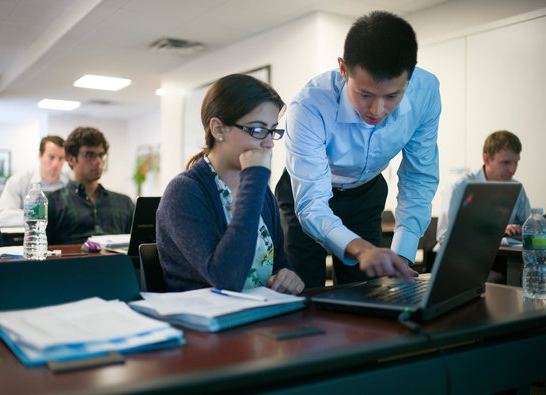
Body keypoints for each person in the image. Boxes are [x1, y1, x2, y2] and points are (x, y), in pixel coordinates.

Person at [275, 10, 440, 288]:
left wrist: (402, 254)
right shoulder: (309, 105)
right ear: (343, 69)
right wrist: (360, 249)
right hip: (307, 193)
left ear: (409, 78)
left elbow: (419, 176)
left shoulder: (426, 91)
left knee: (366, 291)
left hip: (365, 194)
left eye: (392, 96)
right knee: (303, 290)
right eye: (365, 94)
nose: (377, 110)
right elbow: (312, 205)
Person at [156, 74, 304, 295]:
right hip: (207, 320)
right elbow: (226, 279)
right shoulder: (185, 191)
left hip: (257, 314)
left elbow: (278, 262)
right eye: (257, 129)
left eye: (272, 130)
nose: (269, 143)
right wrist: (253, 180)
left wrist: (287, 276)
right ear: (217, 129)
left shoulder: (261, 192)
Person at [436, 130, 531, 245]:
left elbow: (528, 230)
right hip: (461, 258)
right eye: (505, 163)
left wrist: (517, 231)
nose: (513, 169)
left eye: (516, 162)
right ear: (486, 159)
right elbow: (445, 237)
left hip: (503, 258)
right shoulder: (459, 187)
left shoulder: (518, 189)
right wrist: (494, 232)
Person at [46, 127, 134, 245]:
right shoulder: (53, 203)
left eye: (101, 155)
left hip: (116, 263)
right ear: (71, 159)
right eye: (89, 155)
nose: (98, 161)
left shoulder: (124, 203)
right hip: (73, 263)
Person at [0, 136, 70, 227]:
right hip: (30, 237)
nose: (56, 163)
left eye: (61, 158)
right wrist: (39, 213)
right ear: (40, 156)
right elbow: (1, 216)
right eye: (51, 157)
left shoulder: (70, 181)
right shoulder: (18, 181)